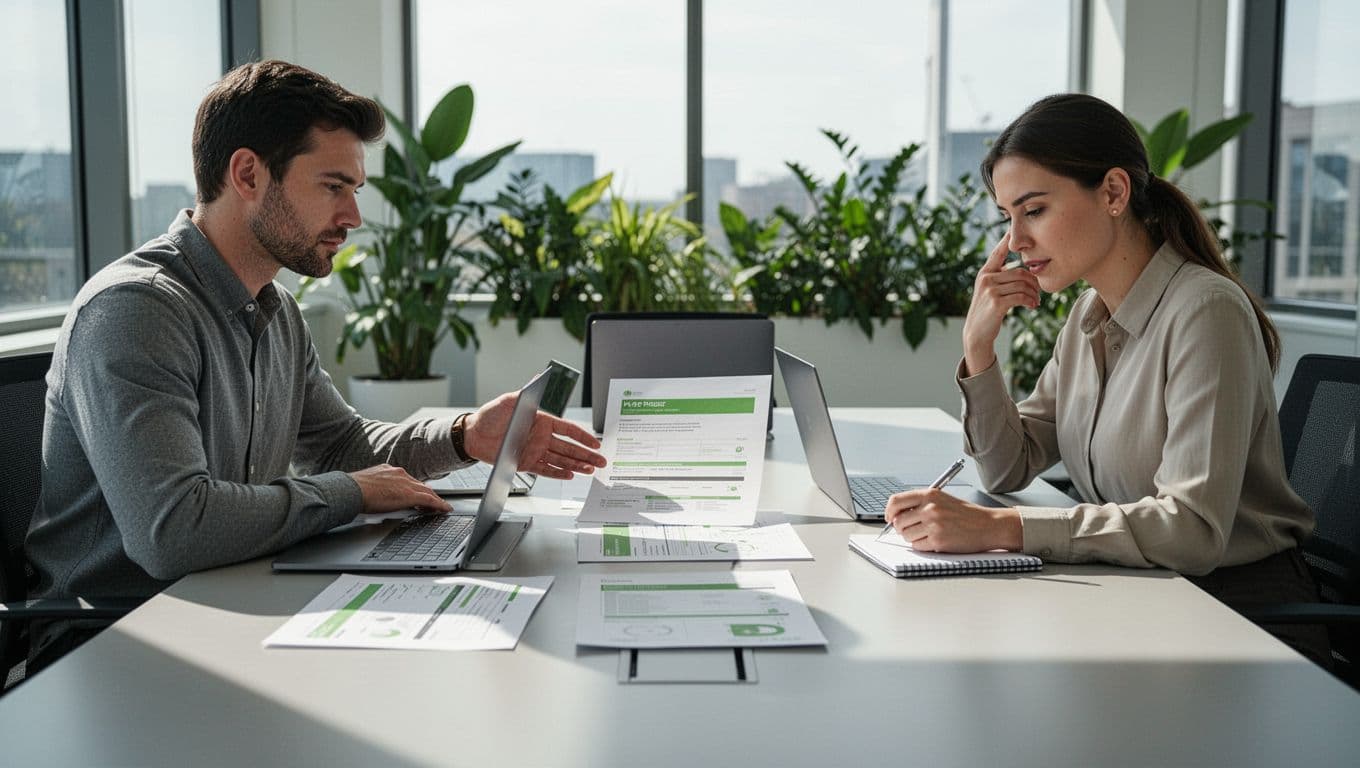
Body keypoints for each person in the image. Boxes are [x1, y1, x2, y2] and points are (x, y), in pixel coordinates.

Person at [24, 60, 606, 673]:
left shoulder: (275, 311)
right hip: (112, 646)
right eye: (333, 186)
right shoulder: (136, 311)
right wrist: (351, 495)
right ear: (248, 173)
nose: (353, 217)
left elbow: (343, 445)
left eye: (356, 190)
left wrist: (465, 437)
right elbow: (175, 531)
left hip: (227, 606)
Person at [881, 93, 1327, 664]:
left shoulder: (1205, 311)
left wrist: (1003, 527)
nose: (1015, 243)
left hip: (1237, 621)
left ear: (1114, 193)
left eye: (1034, 210)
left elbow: (1190, 528)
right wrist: (978, 346)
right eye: (1008, 218)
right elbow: (1005, 464)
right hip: (1140, 597)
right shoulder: (1088, 316)